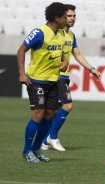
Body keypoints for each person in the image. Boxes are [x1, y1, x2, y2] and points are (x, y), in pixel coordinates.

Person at [41, 4, 102, 152]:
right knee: (67, 106)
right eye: (69, 16)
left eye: (74, 16)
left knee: (53, 111)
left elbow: (78, 54)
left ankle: (44, 141)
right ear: (61, 17)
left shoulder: (71, 35)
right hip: (56, 75)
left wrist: (91, 69)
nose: (72, 18)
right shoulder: (55, 33)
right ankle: (52, 137)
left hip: (64, 76)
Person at [17, 2, 68, 163]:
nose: (67, 19)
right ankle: (27, 151)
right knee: (38, 113)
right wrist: (22, 74)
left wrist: (64, 62)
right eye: (65, 17)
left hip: (53, 81)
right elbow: (21, 50)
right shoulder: (39, 32)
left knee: (50, 115)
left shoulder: (61, 34)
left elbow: (61, 54)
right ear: (56, 18)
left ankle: (36, 149)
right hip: (36, 81)